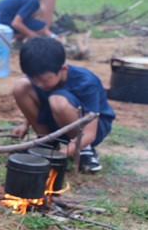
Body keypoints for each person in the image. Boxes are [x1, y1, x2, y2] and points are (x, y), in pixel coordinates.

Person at [12, 37, 114, 173]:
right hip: (57, 118)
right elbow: (40, 96)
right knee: (21, 86)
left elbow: (90, 133)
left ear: (63, 68)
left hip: (91, 129)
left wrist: (60, 155)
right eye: (34, 79)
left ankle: (85, 151)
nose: (39, 84)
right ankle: (46, 142)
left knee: (57, 100)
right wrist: (26, 123)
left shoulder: (86, 82)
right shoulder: (42, 80)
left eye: (44, 80)